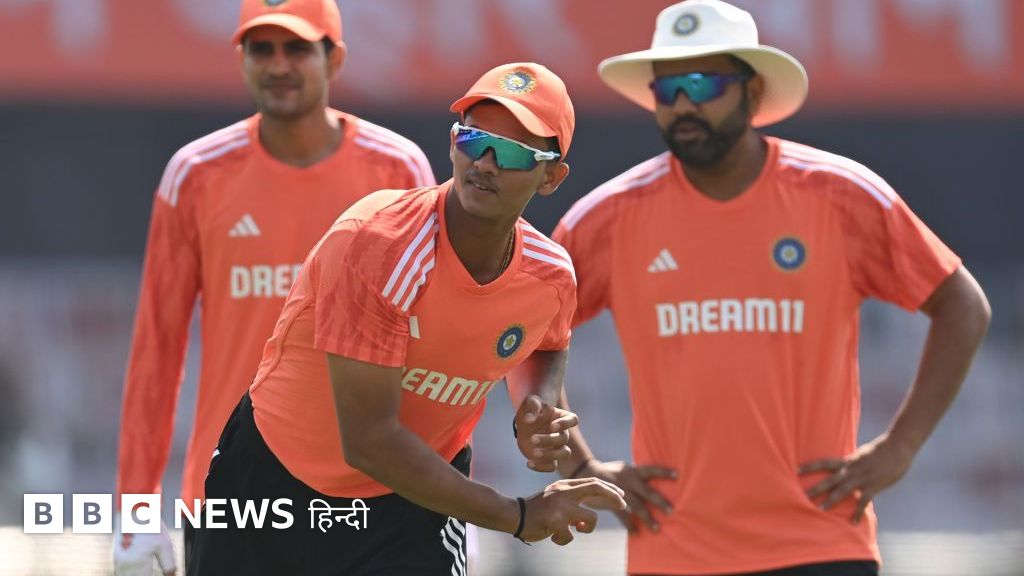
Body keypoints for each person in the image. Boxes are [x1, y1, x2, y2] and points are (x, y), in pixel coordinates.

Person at [551, 1, 992, 574]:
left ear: (753, 91)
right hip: (674, 549)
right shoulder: (607, 216)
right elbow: (527, 331)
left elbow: (963, 306)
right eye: (667, 89)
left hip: (822, 543)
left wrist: (900, 447)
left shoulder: (840, 194)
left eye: (703, 84)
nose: (683, 104)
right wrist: (578, 464)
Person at [188, 62, 627, 576]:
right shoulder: (377, 243)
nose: (485, 163)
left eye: (511, 152)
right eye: (473, 140)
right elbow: (369, 442)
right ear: (453, 142)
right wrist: (517, 515)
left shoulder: (550, 276)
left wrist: (537, 405)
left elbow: (547, 344)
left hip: (410, 505)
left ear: (551, 176)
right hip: (270, 484)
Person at [114, 0, 436, 573]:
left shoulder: (398, 170)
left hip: (366, 495)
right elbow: (156, 352)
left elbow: (431, 343)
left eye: (297, 49)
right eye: (262, 49)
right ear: (241, 59)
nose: (279, 65)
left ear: (334, 59)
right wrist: (136, 508)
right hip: (232, 490)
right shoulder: (196, 174)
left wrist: (445, 496)